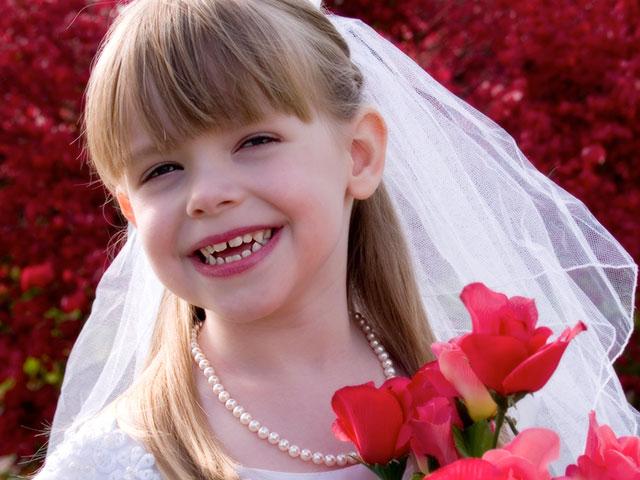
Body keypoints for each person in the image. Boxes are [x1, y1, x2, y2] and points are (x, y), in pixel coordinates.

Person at [32, 0, 638, 478]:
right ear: (131, 211)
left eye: (254, 141)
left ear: (359, 154)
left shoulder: (483, 407)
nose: (206, 194)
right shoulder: (114, 462)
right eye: (162, 170)